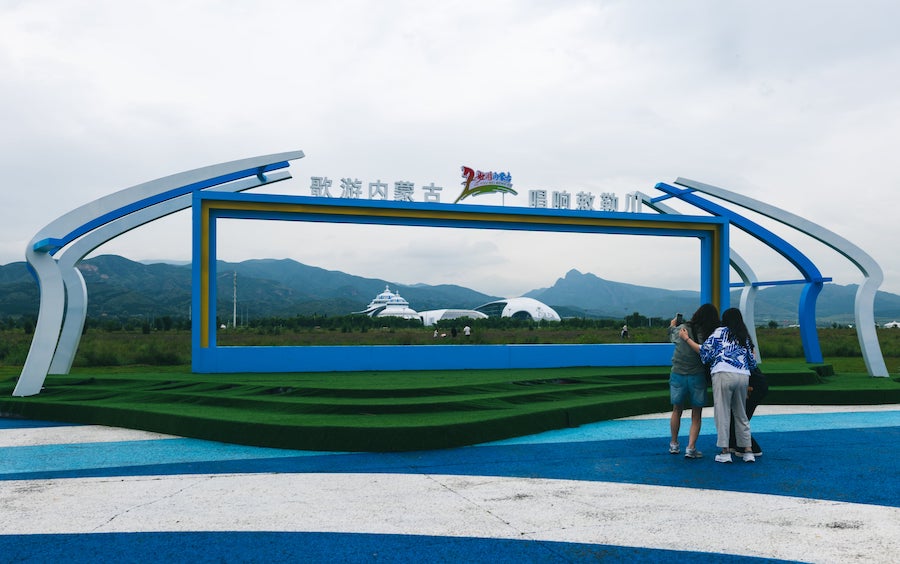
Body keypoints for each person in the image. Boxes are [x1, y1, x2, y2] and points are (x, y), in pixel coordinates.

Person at [680, 307, 758, 463]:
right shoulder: (743, 335)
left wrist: (686, 339)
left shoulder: (719, 332)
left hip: (723, 374)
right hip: (743, 375)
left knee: (722, 413)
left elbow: (704, 351)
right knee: (741, 414)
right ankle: (748, 451)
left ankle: (725, 451)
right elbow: (752, 362)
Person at [667, 304, 720, 459]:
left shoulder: (682, 328)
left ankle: (674, 444)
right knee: (696, 414)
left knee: (677, 410)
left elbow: (672, 336)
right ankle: (691, 448)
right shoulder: (708, 333)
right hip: (697, 375)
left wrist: (672, 326)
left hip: (678, 373)